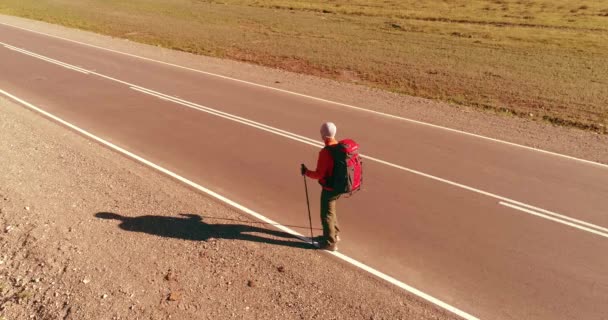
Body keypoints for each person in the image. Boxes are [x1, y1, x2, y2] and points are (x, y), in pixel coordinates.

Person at [301, 122, 342, 252]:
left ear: (322, 135)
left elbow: (319, 174)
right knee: (331, 211)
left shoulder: (326, 152)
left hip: (330, 187)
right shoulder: (339, 147)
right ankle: (334, 235)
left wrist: (306, 172)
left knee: (326, 214)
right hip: (339, 186)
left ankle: (330, 242)